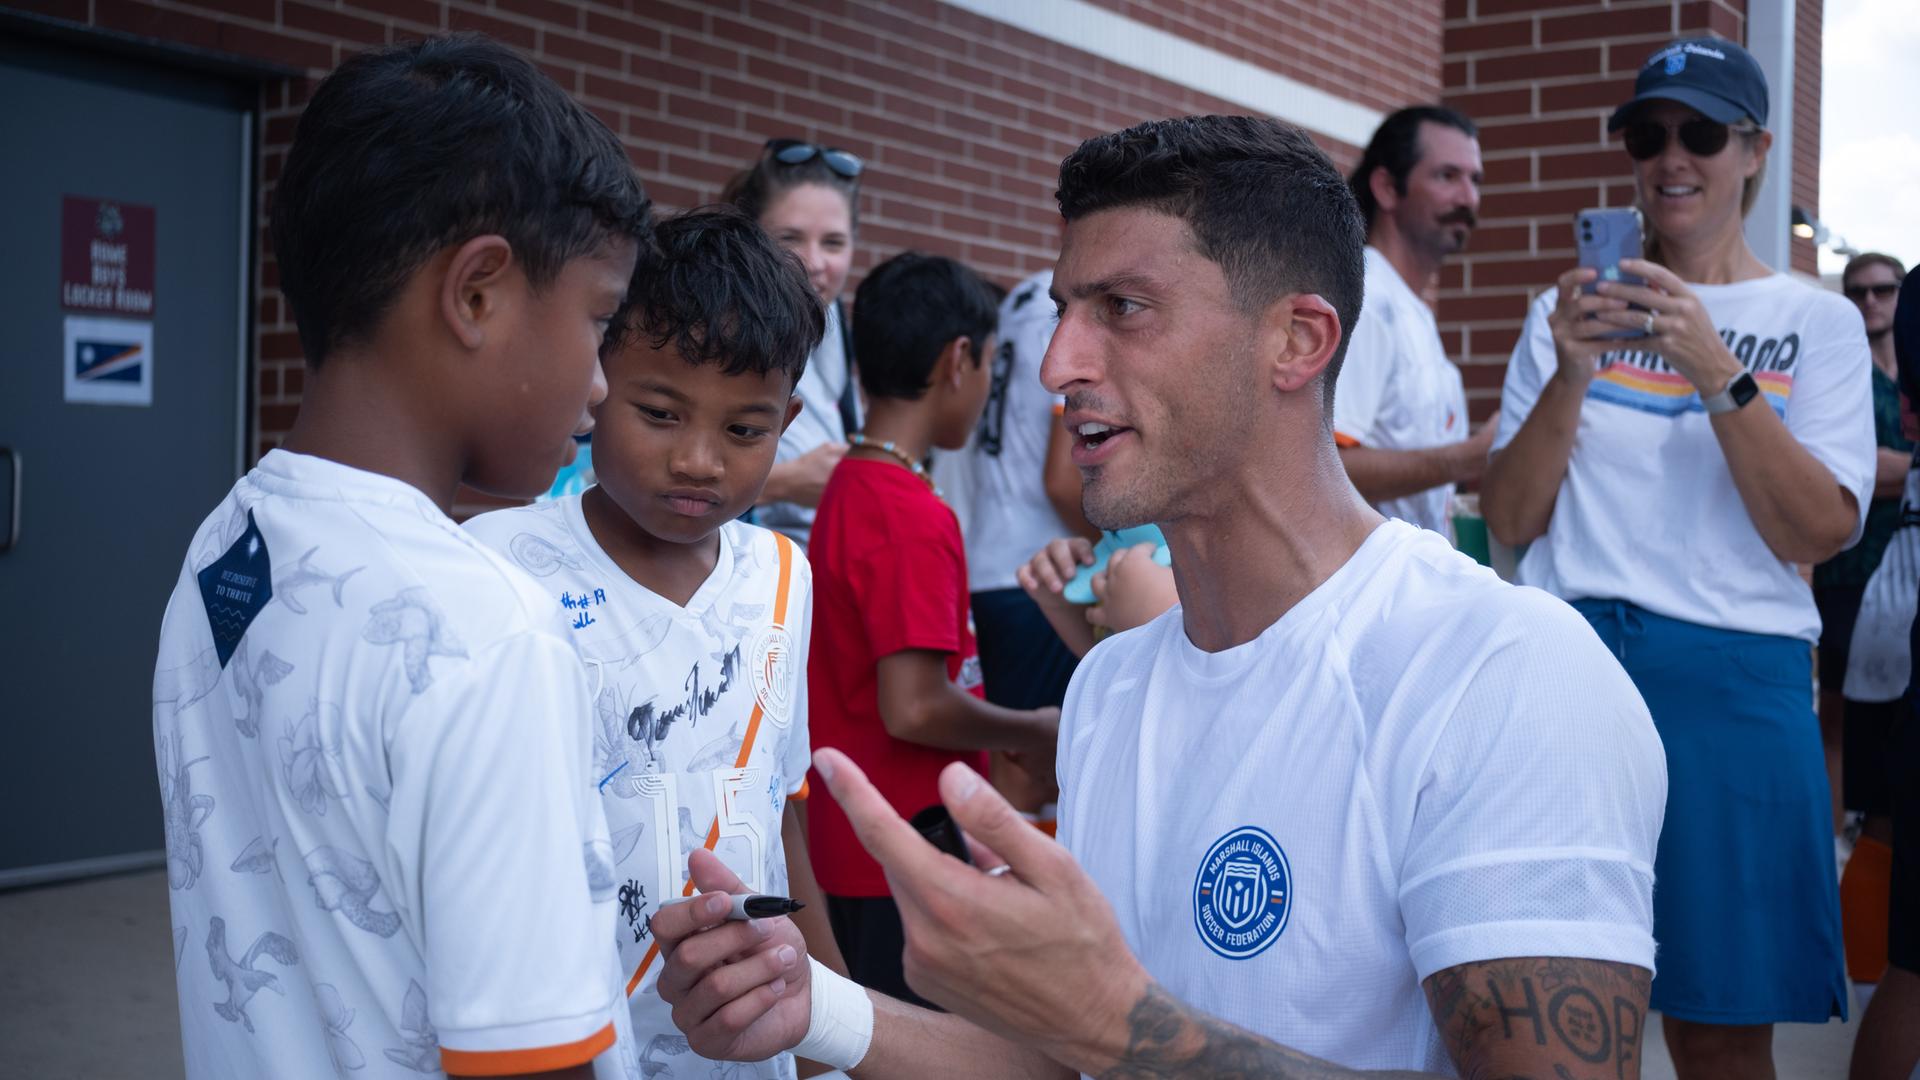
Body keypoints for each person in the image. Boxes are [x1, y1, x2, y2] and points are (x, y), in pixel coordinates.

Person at [651, 115, 1665, 1080]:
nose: (1058, 365)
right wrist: (816, 1006)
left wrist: (1122, 1026)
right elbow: (1073, 1060)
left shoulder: (1504, 671)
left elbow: (1115, 1036)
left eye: (1122, 310)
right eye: (1062, 313)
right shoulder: (1113, 688)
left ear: (1297, 343)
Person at [151, 34, 650, 1079]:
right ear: (476, 293)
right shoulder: (488, 635)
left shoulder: (225, 544)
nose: (601, 384)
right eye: (599, 321)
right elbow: (532, 1060)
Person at [1480, 37, 1876, 1078]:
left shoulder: (1817, 323)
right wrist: (1571, 372)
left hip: (1734, 682)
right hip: (1569, 668)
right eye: (1647, 135)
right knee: (1548, 1004)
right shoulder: (1560, 316)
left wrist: (1717, 370)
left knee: (1719, 1025)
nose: (1671, 158)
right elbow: (1512, 520)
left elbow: (1814, 531)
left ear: (1754, 150)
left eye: (1701, 133)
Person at [463, 208, 846, 1080]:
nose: (701, 461)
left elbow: (778, 811)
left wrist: (824, 1015)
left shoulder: (786, 576)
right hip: (572, 1040)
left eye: (745, 431)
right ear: (599, 384)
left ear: (786, 420)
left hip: (747, 1040)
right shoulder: (502, 564)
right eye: (662, 413)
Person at [803, 252, 1060, 1009]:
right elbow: (912, 706)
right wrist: (1034, 724)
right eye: (986, 368)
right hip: (901, 850)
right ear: (959, 361)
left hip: (857, 841)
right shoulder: (910, 512)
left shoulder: (853, 483)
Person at [1335, 106, 1494, 539]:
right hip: (1359, 591)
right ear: (1387, 188)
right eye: (1447, 176)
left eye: (1475, 180)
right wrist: (1468, 458)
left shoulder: (1410, 309)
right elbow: (1321, 464)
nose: (1468, 198)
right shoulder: (1366, 296)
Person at [1849, 270, 1920, 1080]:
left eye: (1883, 287)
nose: (1873, 301)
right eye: (1860, 287)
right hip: (1879, 608)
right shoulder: (1862, 367)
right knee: (1877, 812)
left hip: (1889, 609)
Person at [725, 138, 865, 548]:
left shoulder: (833, 332)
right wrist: (782, 485)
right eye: (791, 238)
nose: (815, 262)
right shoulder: (713, 335)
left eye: (834, 243)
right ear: (750, 234)